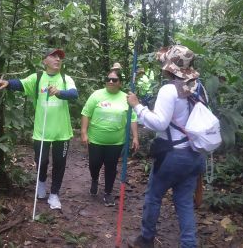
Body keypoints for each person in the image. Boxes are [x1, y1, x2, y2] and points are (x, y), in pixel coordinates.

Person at [126, 45, 206, 248]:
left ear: (169, 66)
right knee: (184, 201)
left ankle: (146, 239)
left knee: (154, 196)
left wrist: (137, 106)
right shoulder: (199, 87)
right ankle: (189, 244)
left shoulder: (169, 89)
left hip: (173, 155)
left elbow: (159, 123)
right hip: (195, 154)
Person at [0, 48, 78, 210]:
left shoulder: (66, 78)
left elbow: (74, 95)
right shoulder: (38, 77)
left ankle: (54, 194)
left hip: (62, 132)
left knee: (60, 163)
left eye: (59, 57)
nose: (57, 59)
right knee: (42, 161)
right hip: (42, 130)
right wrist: (7, 83)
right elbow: (21, 83)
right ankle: (41, 184)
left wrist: (59, 92)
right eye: (53, 56)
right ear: (44, 60)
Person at [81, 63, 139, 207]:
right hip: (96, 139)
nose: (111, 82)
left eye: (114, 80)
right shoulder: (97, 95)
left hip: (116, 141)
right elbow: (86, 113)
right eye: (108, 79)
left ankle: (108, 193)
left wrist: (135, 137)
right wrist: (83, 132)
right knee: (94, 164)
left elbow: (132, 118)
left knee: (111, 167)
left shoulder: (126, 98)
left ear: (120, 83)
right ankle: (95, 179)